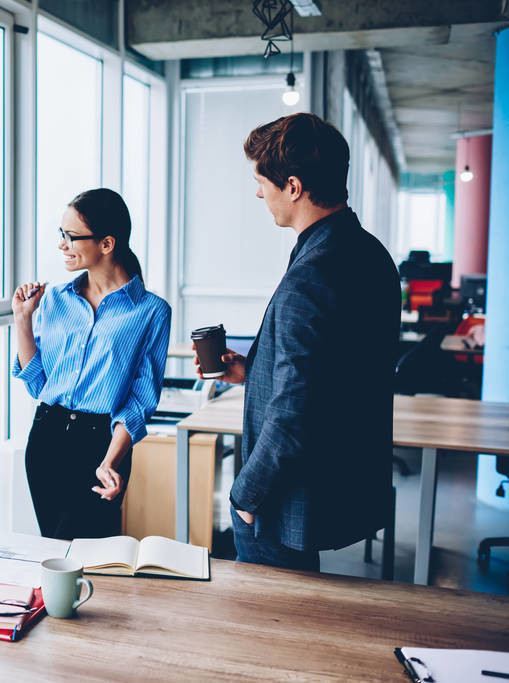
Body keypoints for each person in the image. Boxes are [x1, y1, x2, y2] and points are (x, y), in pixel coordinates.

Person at [196, 113, 400, 571]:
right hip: (337, 483)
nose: (257, 193)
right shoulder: (370, 255)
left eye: (261, 181)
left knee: (269, 631)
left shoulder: (310, 275)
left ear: (292, 186)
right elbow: (338, 374)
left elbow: (295, 412)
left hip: (285, 495)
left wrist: (245, 496)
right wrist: (251, 371)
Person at [12, 188, 171, 540]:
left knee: (88, 553)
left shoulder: (152, 312)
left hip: (101, 444)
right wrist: (23, 320)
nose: (62, 244)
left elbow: (140, 402)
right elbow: (38, 383)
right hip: (46, 438)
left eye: (71, 237)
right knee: (55, 550)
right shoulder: (54, 298)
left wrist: (109, 461)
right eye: (61, 234)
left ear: (107, 244)